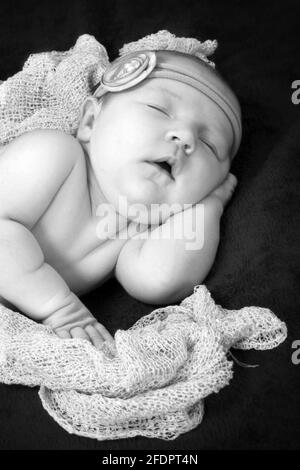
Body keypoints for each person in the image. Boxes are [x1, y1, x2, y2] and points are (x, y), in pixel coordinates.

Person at [0, 32, 241, 348]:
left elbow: (160, 281)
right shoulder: (53, 154)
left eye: (210, 145)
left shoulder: (139, 228)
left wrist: (209, 206)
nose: (186, 138)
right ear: (89, 121)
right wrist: (60, 308)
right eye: (158, 108)